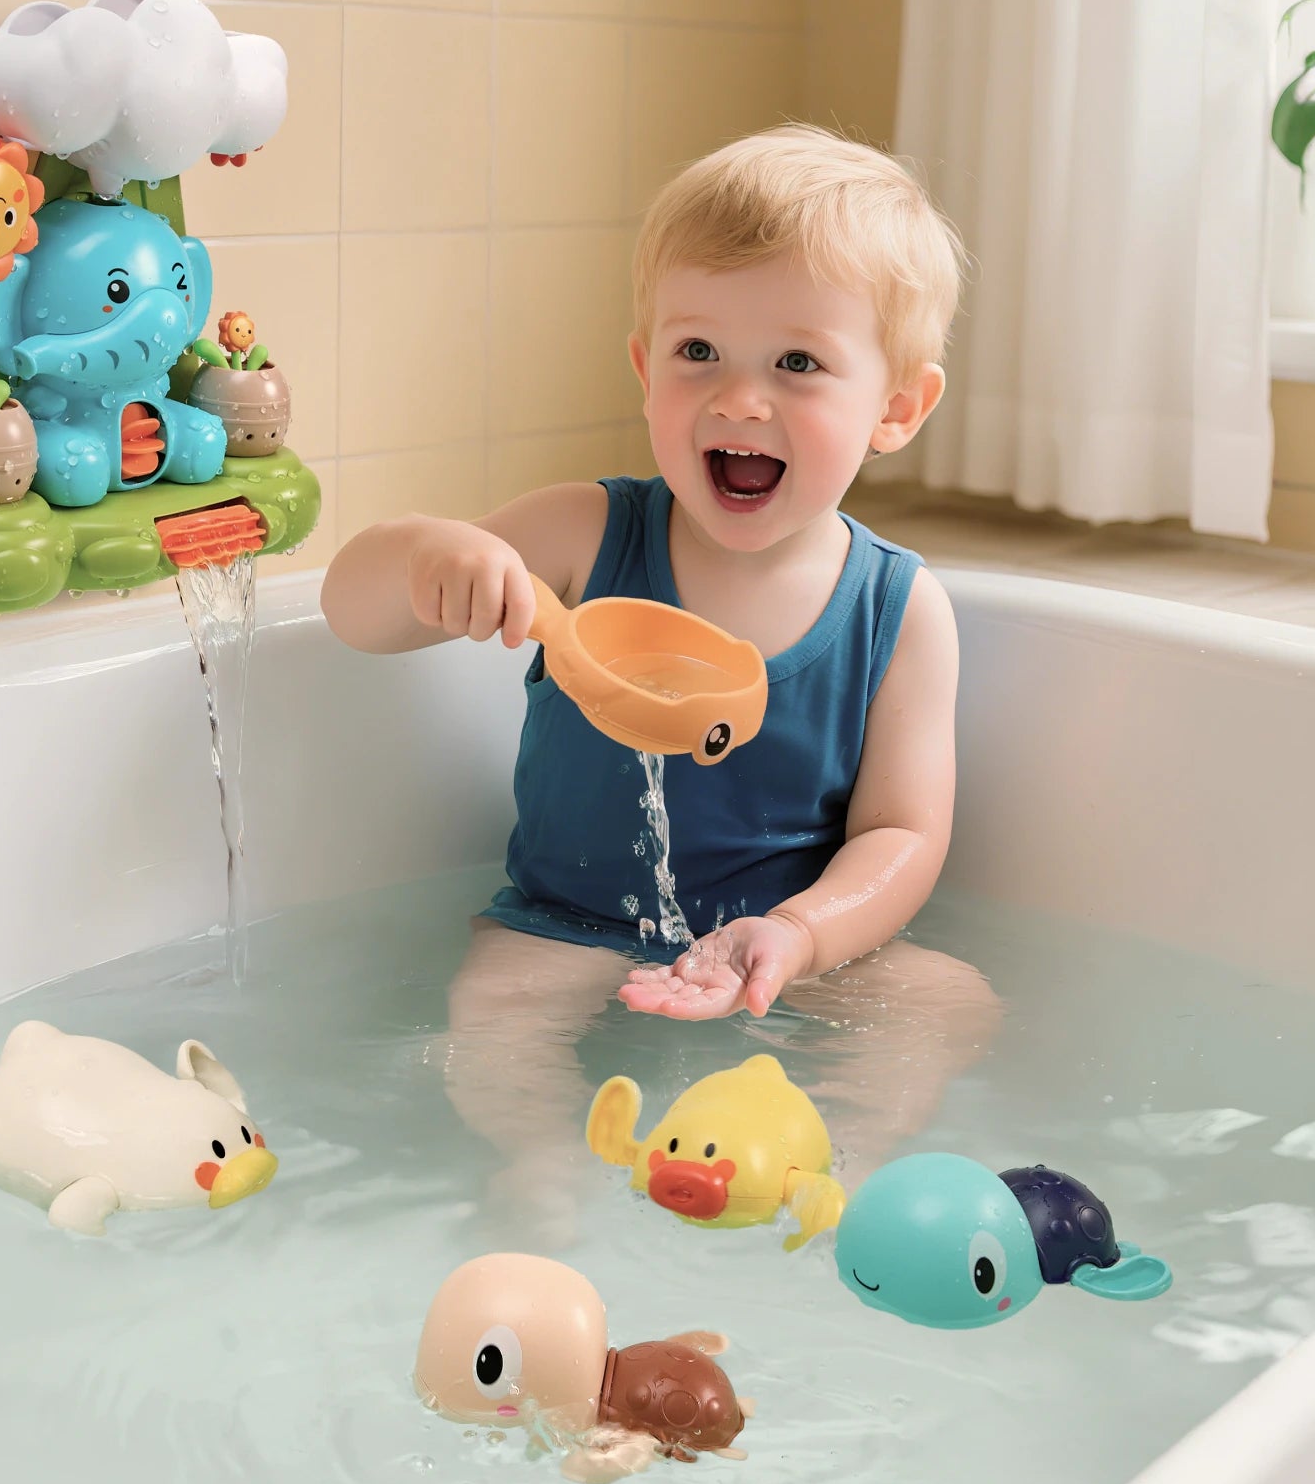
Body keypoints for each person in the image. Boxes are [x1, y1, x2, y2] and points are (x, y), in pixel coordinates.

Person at [321, 124, 1000, 1233]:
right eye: (699, 353)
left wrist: (806, 934)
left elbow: (902, 836)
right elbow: (353, 617)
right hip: (568, 921)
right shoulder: (583, 537)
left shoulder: (899, 610)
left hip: (783, 946)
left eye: (797, 363)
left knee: (942, 1000)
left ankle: (848, 1166)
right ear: (646, 369)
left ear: (897, 409)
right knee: (495, 1008)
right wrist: (428, 557)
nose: (739, 400)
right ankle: (538, 1168)